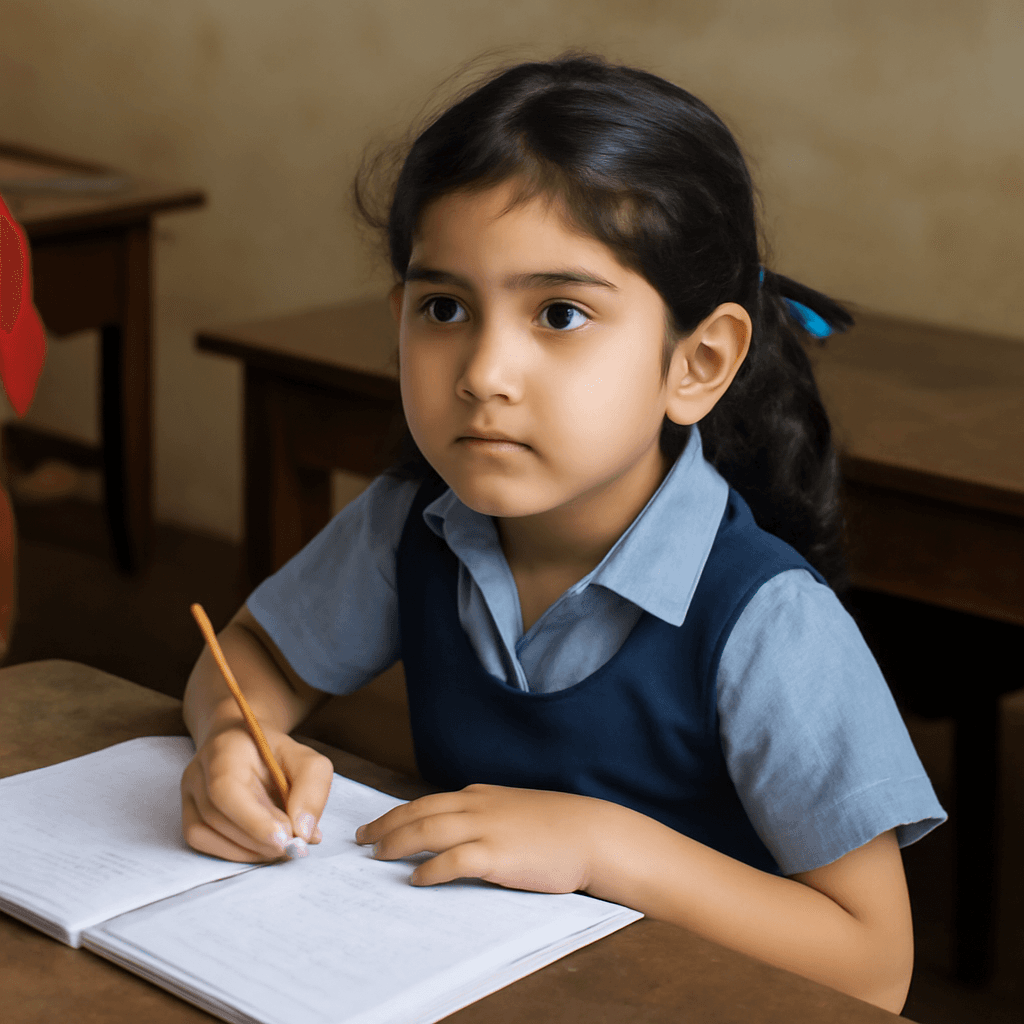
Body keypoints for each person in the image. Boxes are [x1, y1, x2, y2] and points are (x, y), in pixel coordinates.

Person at [180, 52, 945, 1013]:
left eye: (561, 312)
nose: (483, 370)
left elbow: (875, 967)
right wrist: (233, 737)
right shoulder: (408, 524)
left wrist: (601, 845)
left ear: (698, 363)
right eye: (444, 308)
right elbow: (254, 652)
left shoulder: (769, 620)